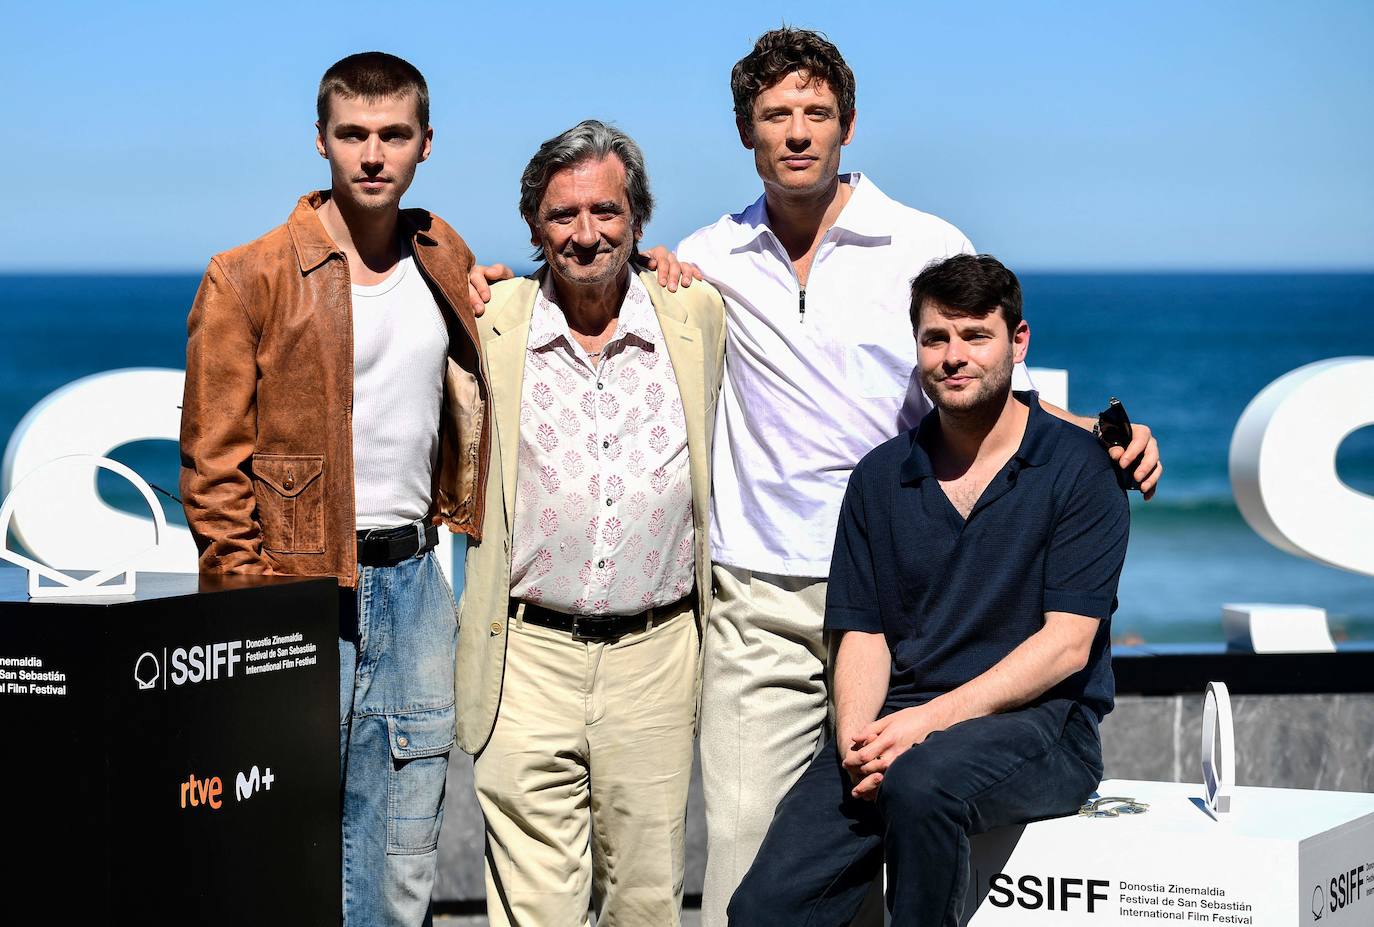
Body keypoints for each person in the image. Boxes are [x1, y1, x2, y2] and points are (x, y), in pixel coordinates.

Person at [667, 28, 1161, 923]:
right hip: (763, 592)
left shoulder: (923, 242)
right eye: (775, 115)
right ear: (746, 132)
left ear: (848, 123)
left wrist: (1095, 435)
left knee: (901, 816)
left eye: (816, 112)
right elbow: (601, 292)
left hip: (909, 597)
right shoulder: (703, 261)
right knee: (752, 860)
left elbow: (978, 373)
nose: (797, 132)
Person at [178, 52, 488, 926]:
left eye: (394, 135)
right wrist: (245, 617)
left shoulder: (442, 251)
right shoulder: (249, 277)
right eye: (353, 134)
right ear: (321, 140)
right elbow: (212, 470)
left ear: (426, 143)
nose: (373, 154)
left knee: (407, 846)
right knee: (291, 837)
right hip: (297, 591)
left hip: (418, 585)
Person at [728, 253, 1129, 925]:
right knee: (762, 908)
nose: (954, 355)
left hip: (1043, 725)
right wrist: (859, 743)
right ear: (916, 348)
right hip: (900, 727)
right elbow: (863, 631)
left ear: (1018, 342)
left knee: (923, 785)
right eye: (936, 338)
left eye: (976, 336)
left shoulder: (1080, 469)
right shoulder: (879, 477)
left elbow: (1066, 646)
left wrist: (926, 725)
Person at [455, 120, 726, 927]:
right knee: (534, 902)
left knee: (645, 896)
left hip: (657, 652)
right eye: (563, 215)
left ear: (638, 219)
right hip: (525, 654)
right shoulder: (490, 318)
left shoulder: (697, 312)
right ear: (535, 225)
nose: (585, 234)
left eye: (606, 212)